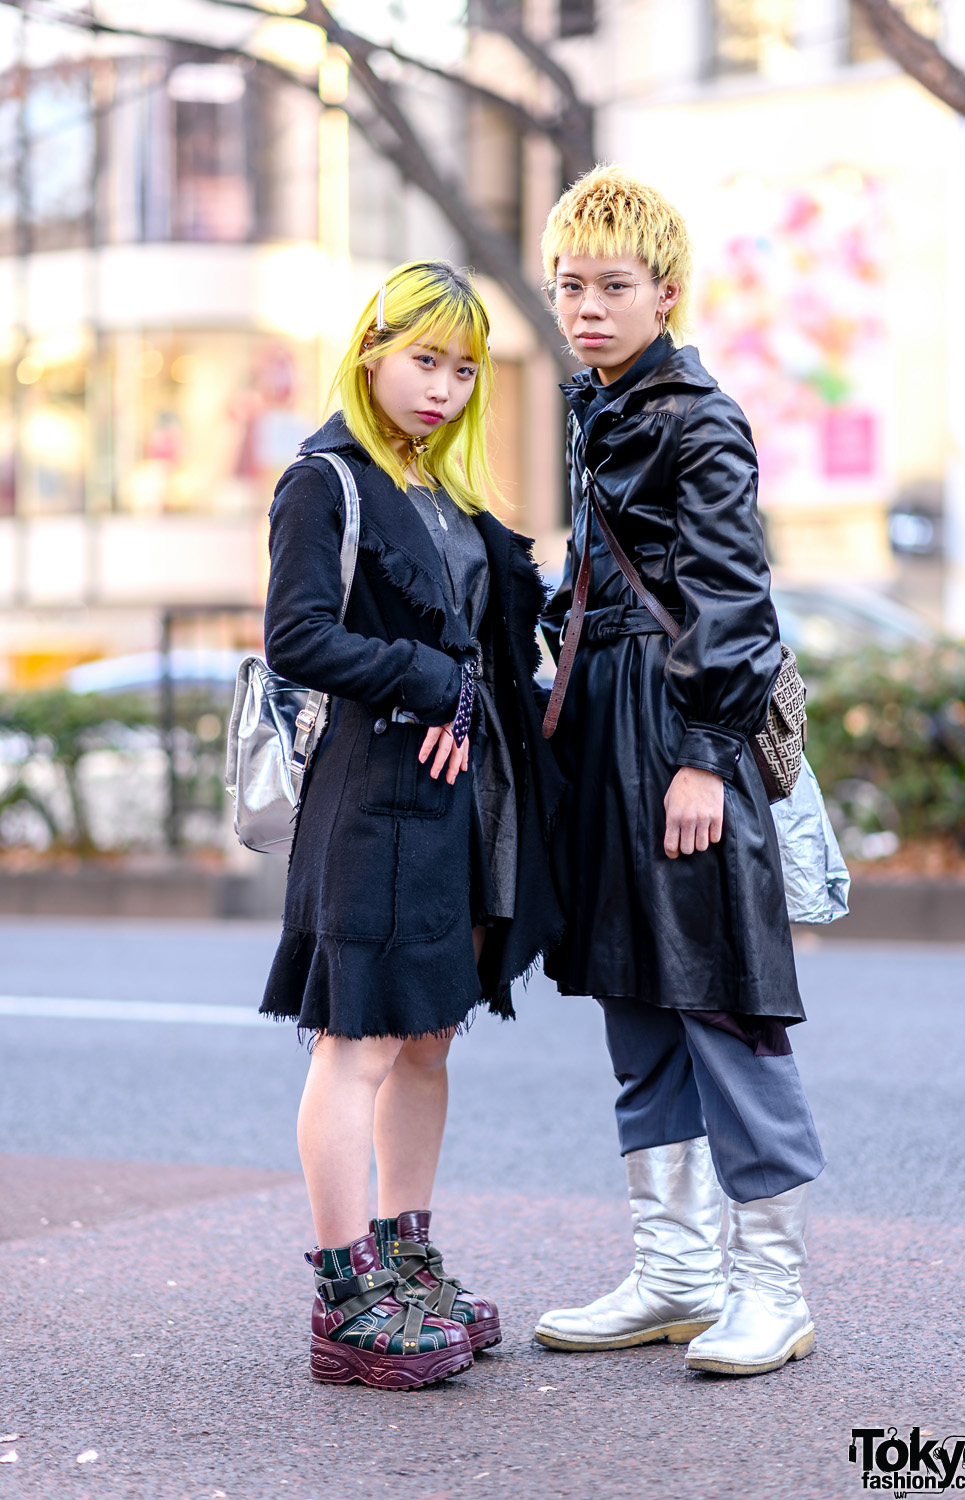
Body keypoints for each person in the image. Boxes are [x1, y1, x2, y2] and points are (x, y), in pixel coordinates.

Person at [533, 167, 826, 1378]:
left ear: (664, 291)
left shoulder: (692, 415)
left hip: (673, 725)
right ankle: (675, 1273)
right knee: (636, 993)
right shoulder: (596, 402)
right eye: (569, 285)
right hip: (604, 725)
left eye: (612, 285)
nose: (587, 306)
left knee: (720, 993)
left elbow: (733, 601)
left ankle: (773, 1285)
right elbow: (595, 578)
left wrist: (705, 757)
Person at [261, 260, 564, 1390]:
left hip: (462, 803)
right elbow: (297, 636)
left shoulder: (445, 489)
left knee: (430, 1036)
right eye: (423, 359)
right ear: (372, 351)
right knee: (362, 1042)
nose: (443, 386)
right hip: (378, 792)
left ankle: (406, 1265)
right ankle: (345, 1303)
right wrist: (428, 677)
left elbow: (495, 645)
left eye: (463, 367)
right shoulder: (324, 481)